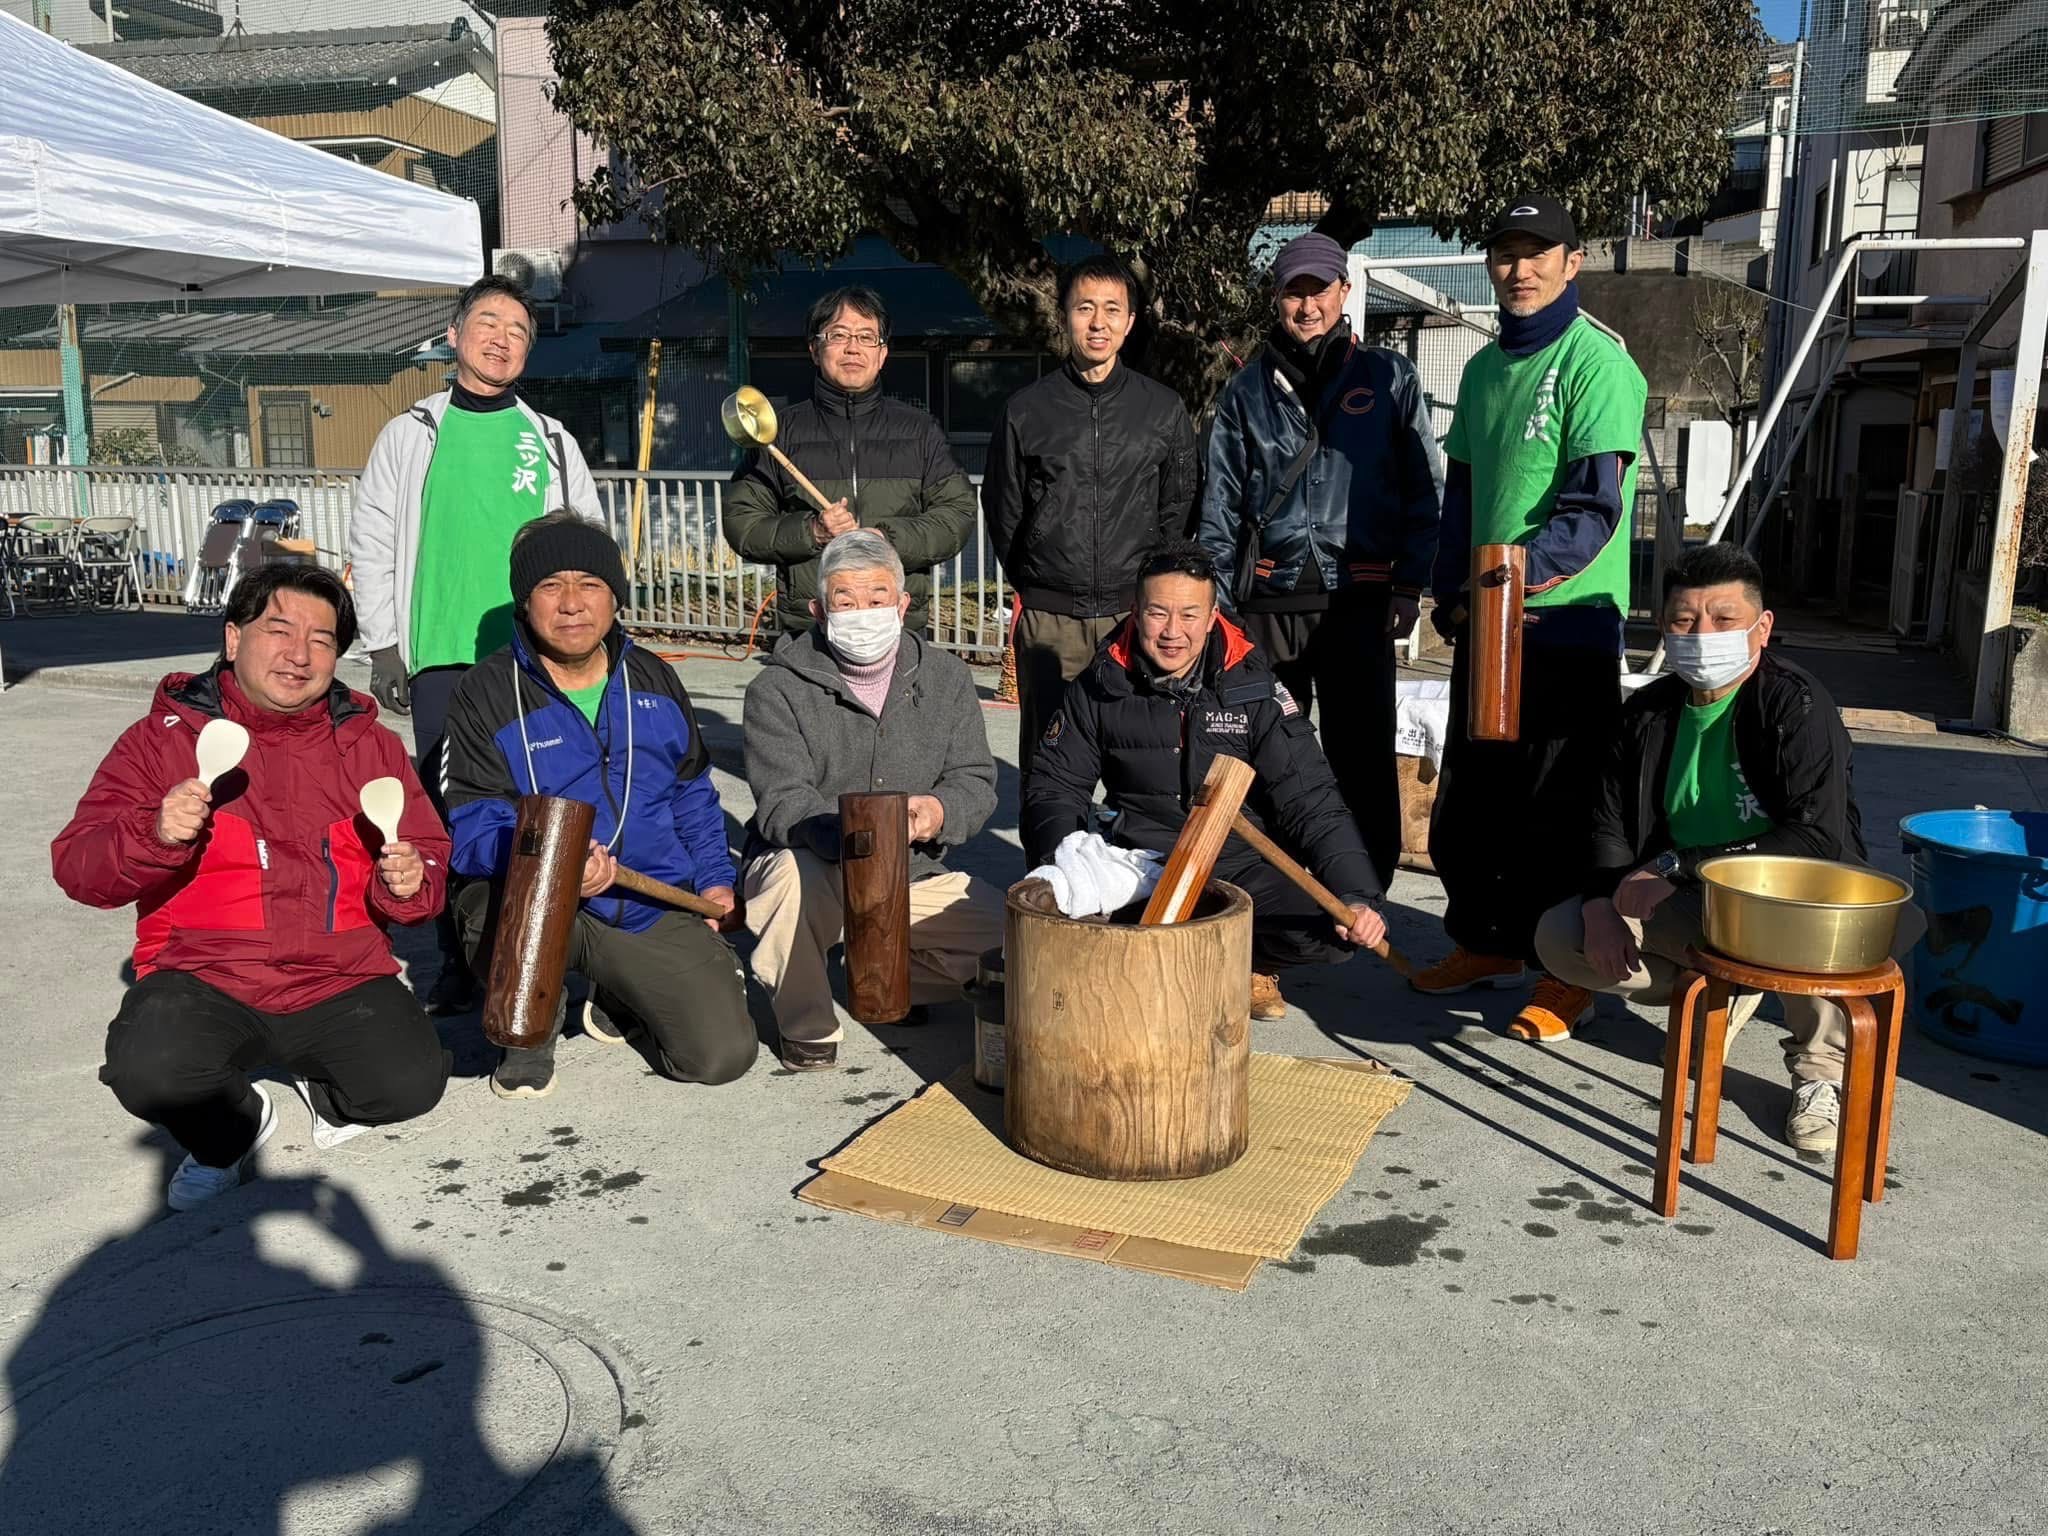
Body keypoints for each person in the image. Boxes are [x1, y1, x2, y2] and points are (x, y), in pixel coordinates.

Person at [51, 566, 451, 1211]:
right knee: (152, 1070)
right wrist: (153, 833)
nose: (300, 655)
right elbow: (79, 868)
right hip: (205, 974)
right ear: (234, 638)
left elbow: (427, 856)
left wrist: (410, 881)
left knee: (410, 1086)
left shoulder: (371, 747)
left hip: (339, 975)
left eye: (322, 640)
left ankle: (323, 1089)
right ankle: (233, 1130)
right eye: (280, 630)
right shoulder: (160, 743)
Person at [1533, 544, 1923, 1152]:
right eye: (1684, 620)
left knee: (1814, 933)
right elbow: (1607, 821)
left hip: (1790, 898)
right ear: (1664, 628)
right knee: (1562, 937)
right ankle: (1719, 991)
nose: (1702, 635)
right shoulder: (1646, 711)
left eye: (1723, 619)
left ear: (1762, 627)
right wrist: (1599, 902)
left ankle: (1821, 1071)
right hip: (1694, 900)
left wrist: (1676, 864)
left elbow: (1815, 836)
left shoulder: (1795, 704)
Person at [1419, 195, 1649, 1039]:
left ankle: (1567, 971)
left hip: (1567, 620)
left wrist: (1514, 585)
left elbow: (1594, 510)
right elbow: (1463, 498)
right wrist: (1451, 593)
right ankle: (1487, 941)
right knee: (1475, 796)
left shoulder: (1598, 363)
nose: (1519, 270)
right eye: (1506, 254)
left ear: (1572, 262)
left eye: (1537, 253)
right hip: (1490, 616)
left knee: (1563, 802)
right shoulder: (1483, 370)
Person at [350, 274, 605, 1015]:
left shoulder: (549, 440)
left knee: (542, 802)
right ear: (455, 336)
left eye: (518, 330)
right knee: (448, 810)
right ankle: (461, 960)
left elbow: (589, 542)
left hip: (535, 656)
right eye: (489, 323)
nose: (502, 339)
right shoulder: (411, 433)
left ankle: (554, 948)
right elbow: (373, 537)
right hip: (442, 654)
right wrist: (384, 644)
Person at [441, 514, 755, 1100]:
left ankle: (620, 989)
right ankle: (530, 1031)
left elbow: (692, 791)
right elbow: (472, 825)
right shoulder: (485, 692)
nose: (571, 603)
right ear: (525, 600)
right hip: (534, 903)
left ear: (614, 597)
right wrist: (552, 858)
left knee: (720, 1056)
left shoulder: (654, 678)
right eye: (550, 586)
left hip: (646, 896)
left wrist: (715, 879)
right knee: (487, 906)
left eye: (590, 584)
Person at [1023, 542, 1388, 1020]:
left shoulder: (1253, 687)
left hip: (1238, 864)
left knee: (1332, 933)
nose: (1172, 632)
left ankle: (1245, 962)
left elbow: (1312, 798)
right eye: (1157, 613)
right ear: (1136, 610)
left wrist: (1357, 895)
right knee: (1081, 929)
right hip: (1141, 863)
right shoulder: (1100, 683)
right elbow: (1054, 787)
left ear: (1214, 615)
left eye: (1189, 615)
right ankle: (1182, 962)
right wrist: (1062, 868)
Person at [1197, 230, 1443, 889]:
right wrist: (1220, 608)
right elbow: (1219, 504)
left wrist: (1409, 585)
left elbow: (1424, 489)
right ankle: (1269, 892)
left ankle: (1365, 896)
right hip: (1267, 600)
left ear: (1344, 291)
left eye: (1319, 290)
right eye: (1293, 292)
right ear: (1276, 298)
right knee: (1265, 754)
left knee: (1362, 758)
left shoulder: (1389, 377)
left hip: (1359, 596)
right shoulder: (1245, 391)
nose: (1307, 306)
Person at [741, 529, 1002, 1069]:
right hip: (814, 863)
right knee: (786, 884)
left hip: (913, 871)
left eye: (878, 598)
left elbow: (974, 779)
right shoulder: (776, 689)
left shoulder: (948, 678)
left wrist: (935, 813)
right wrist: (854, 832)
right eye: (846, 601)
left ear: (903, 605)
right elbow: (782, 798)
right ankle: (807, 1023)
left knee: (1019, 947)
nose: (864, 613)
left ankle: (887, 976)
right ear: (819, 611)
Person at [985, 253, 1199, 787]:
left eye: (1112, 309)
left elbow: (1178, 505)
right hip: (1051, 620)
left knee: (1142, 769)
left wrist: (1149, 589)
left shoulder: (1162, 409)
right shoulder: (1026, 410)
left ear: (1130, 321)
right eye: (1085, 308)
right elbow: (1005, 508)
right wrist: (1036, 582)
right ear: (1065, 315)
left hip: (1135, 617)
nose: (1098, 322)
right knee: (1049, 769)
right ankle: (1050, 847)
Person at [722, 285, 977, 641]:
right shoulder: (780, 434)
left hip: (897, 624)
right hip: (809, 629)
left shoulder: (919, 430)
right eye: (838, 335)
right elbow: (742, 524)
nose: (853, 348)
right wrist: (813, 531)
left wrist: (887, 538)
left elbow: (957, 514)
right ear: (815, 349)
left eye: (866, 337)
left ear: (882, 353)